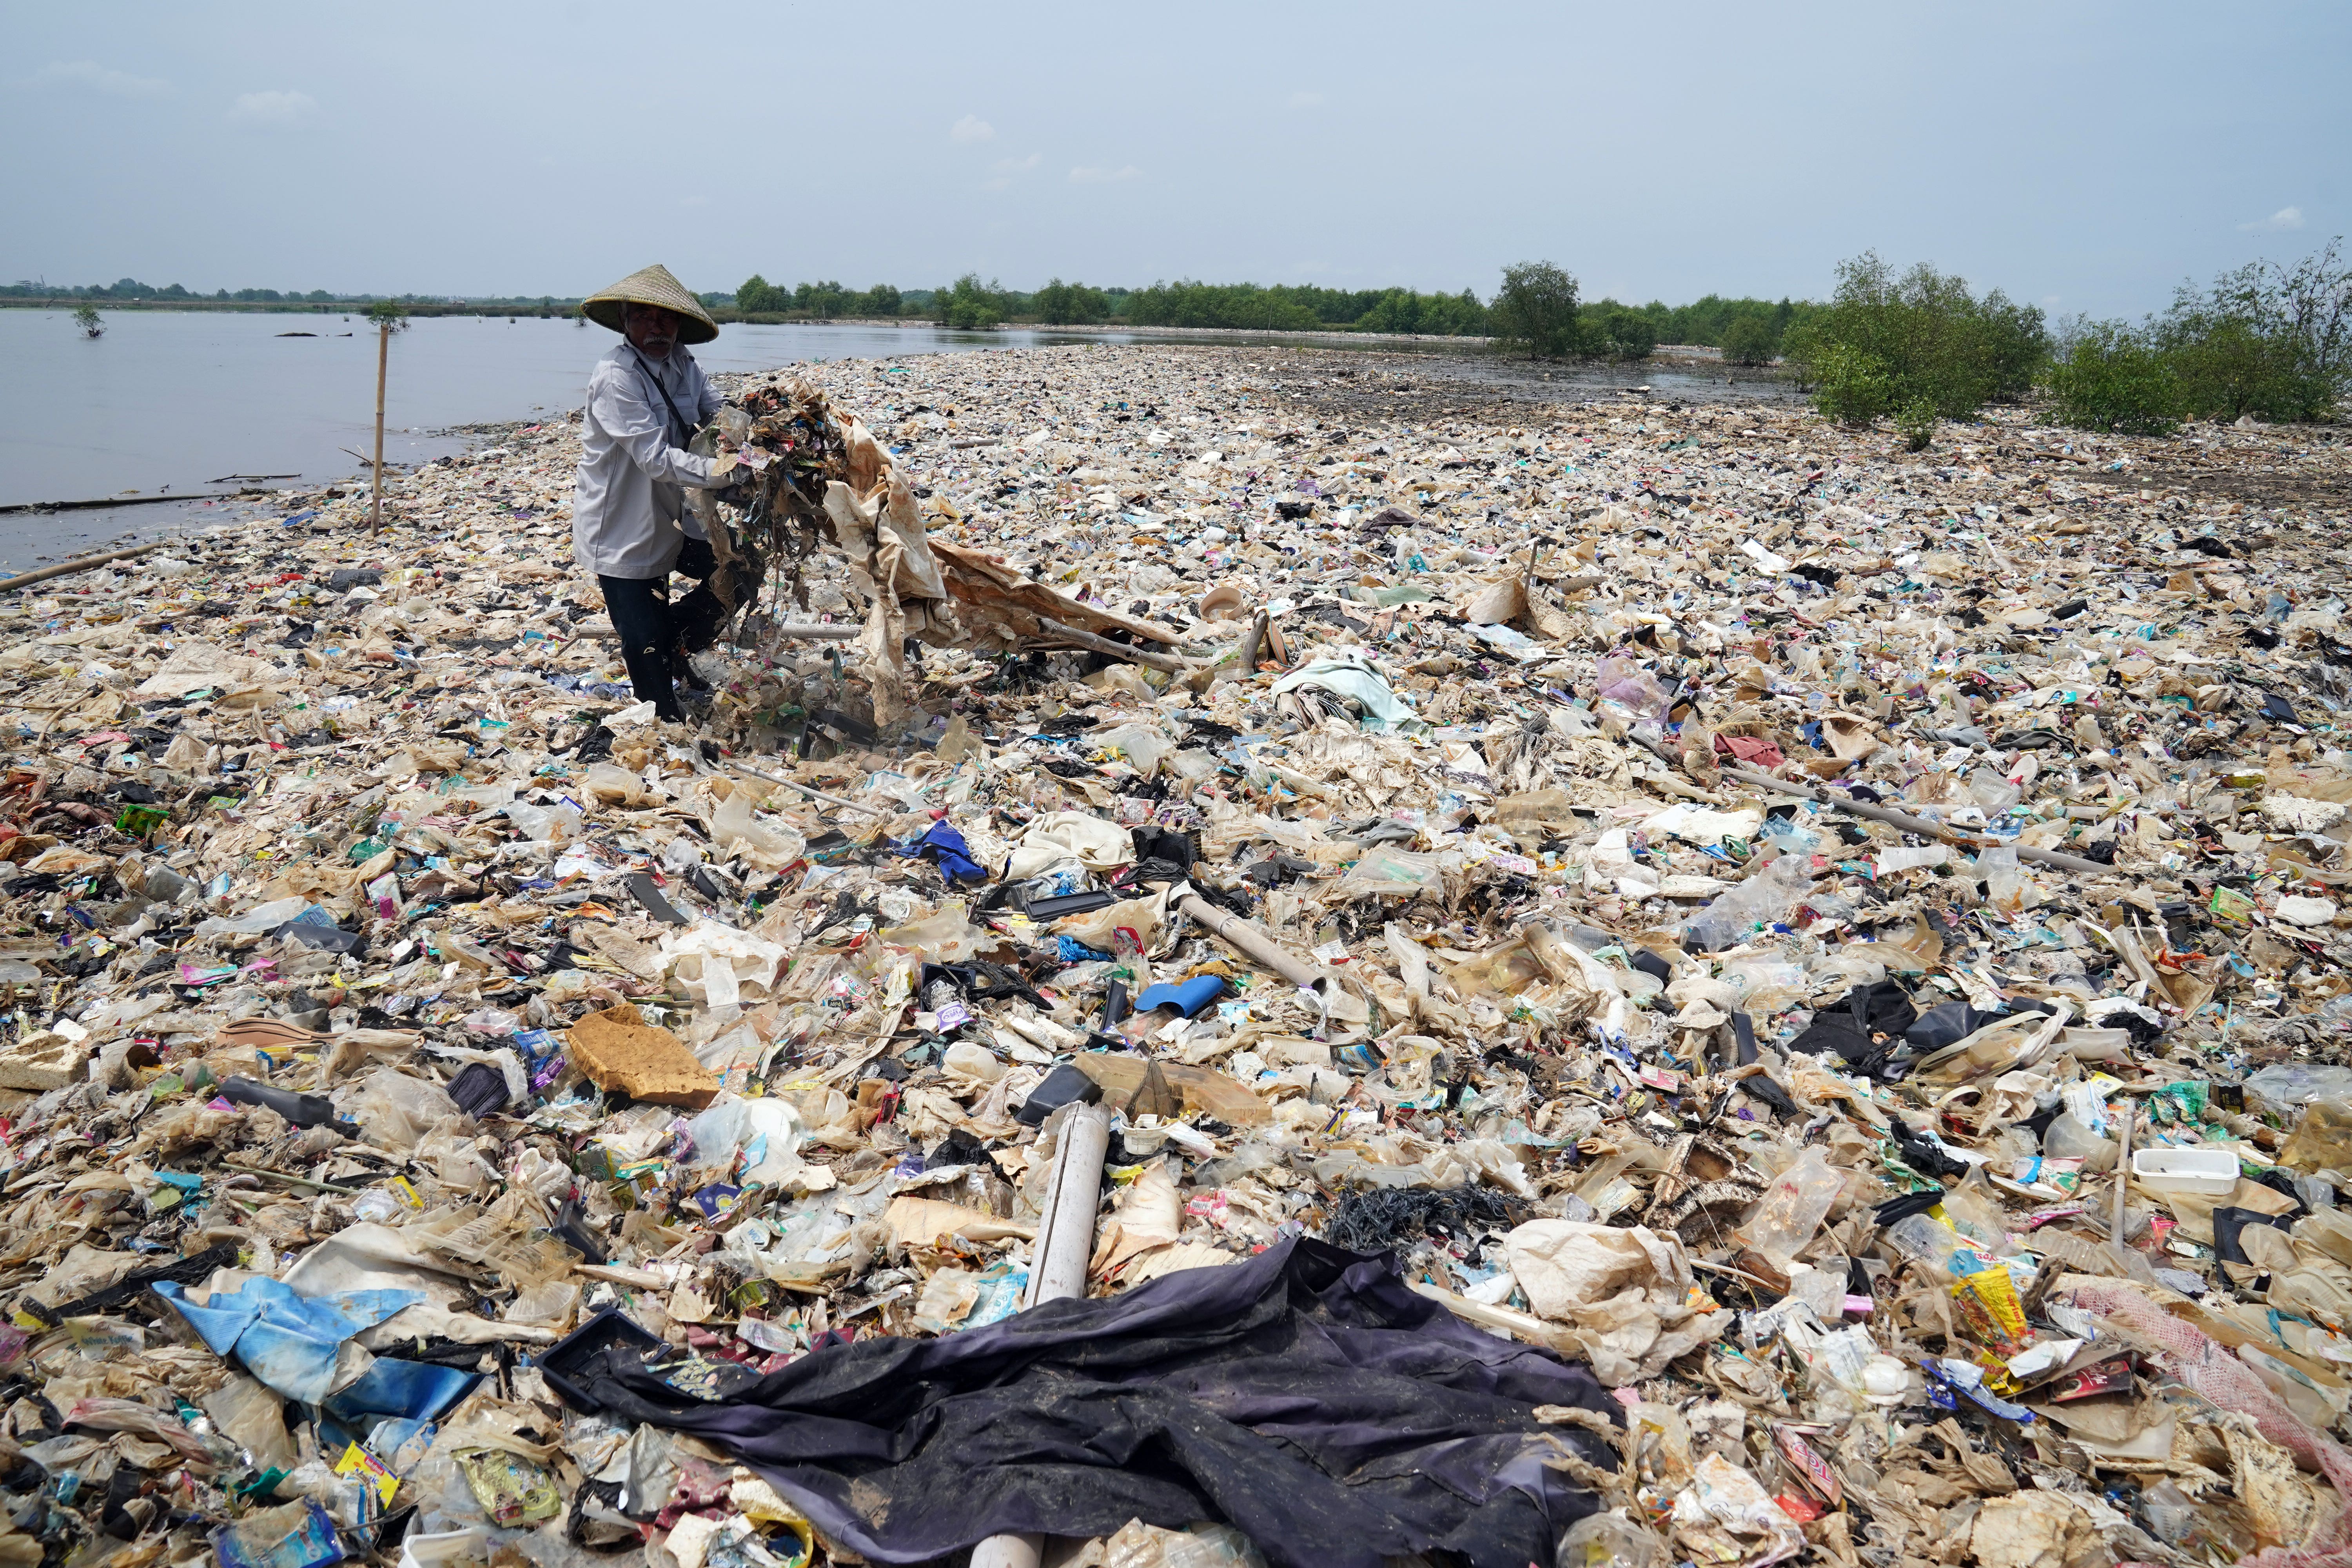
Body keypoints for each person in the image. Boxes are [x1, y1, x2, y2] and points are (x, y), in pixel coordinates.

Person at [573, 263, 741, 722]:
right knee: (645, 652)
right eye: (644, 316)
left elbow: (718, 413)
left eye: (664, 318)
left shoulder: (684, 363)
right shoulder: (616, 376)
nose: (656, 326)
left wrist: (756, 434)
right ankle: (664, 710)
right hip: (622, 527)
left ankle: (679, 643)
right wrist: (728, 472)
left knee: (739, 572)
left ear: (679, 325)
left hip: (676, 518)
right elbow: (654, 458)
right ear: (626, 321)